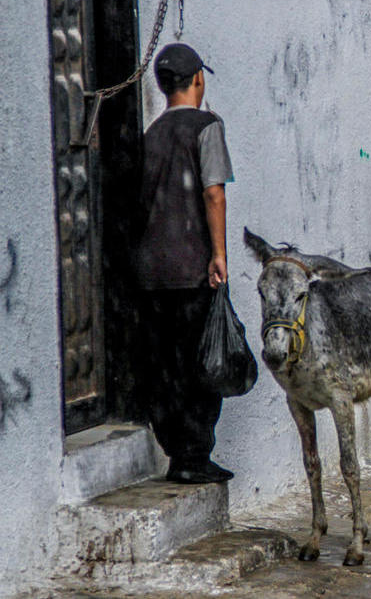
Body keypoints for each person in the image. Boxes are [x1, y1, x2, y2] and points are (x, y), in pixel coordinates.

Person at [132, 43, 235, 484]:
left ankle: (177, 454)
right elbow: (213, 192)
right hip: (192, 268)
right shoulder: (206, 126)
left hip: (151, 273)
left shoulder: (150, 136)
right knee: (202, 366)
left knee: (167, 367)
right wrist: (219, 254)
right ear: (198, 79)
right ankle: (195, 457)